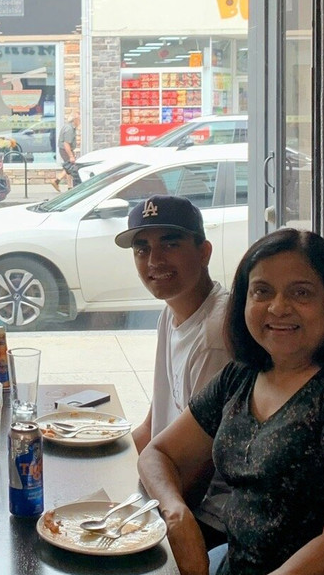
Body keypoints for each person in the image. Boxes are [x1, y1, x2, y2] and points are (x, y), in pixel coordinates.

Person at [139, 228, 324, 575]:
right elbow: (158, 454)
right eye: (262, 291)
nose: (278, 307)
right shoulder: (243, 375)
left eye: (301, 292)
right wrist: (176, 514)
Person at [115, 195, 232, 546]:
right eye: (142, 249)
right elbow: (153, 426)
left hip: (207, 517)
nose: (154, 260)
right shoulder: (171, 313)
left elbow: (196, 471)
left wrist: (130, 516)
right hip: (170, 489)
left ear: (204, 252)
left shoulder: (215, 334)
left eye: (170, 244)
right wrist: (100, 473)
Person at [53, 112, 80, 191]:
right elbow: (66, 144)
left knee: (69, 167)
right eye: (78, 119)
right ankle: (57, 180)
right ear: (74, 120)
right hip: (65, 150)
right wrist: (71, 156)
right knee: (71, 167)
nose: (79, 121)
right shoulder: (69, 129)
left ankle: (69, 186)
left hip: (65, 149)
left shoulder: (69, 126)